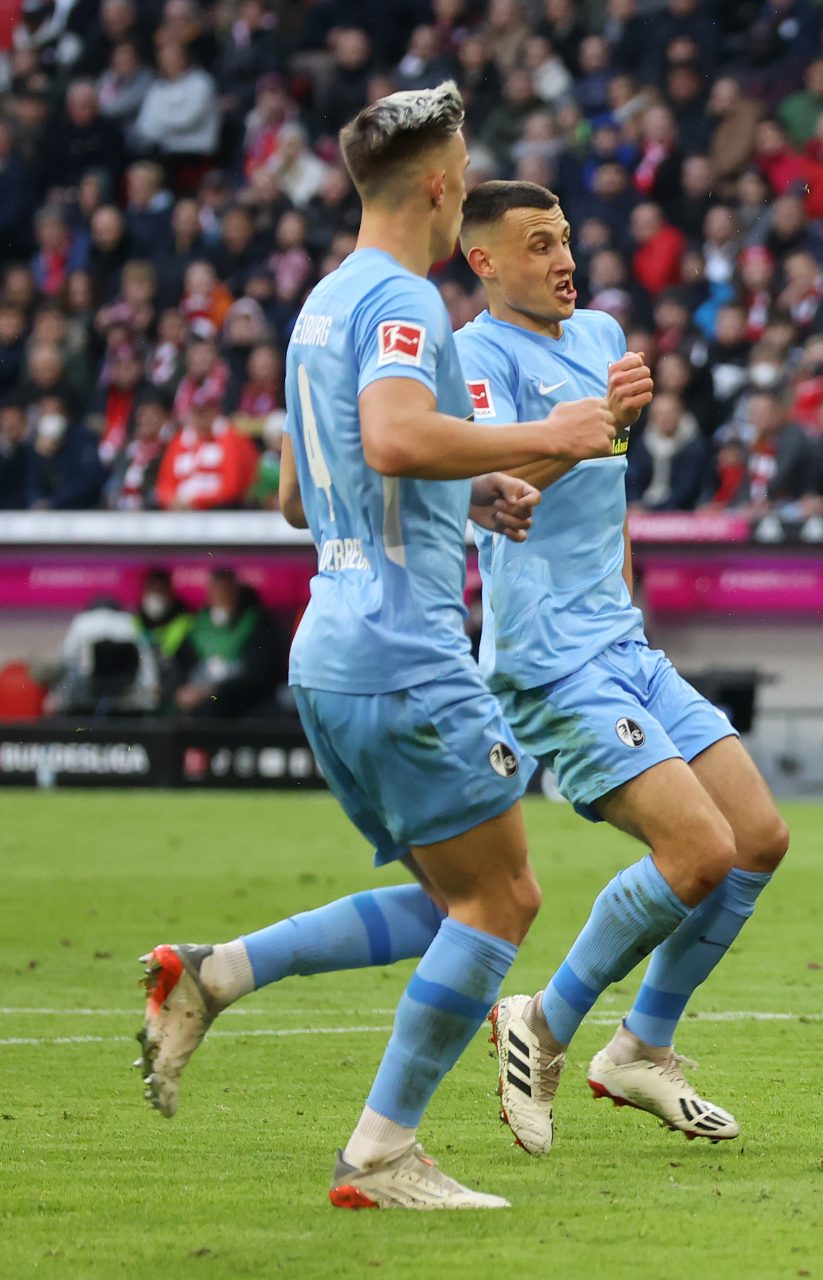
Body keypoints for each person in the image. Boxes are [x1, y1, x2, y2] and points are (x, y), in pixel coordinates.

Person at [134, 84, 618, 1211]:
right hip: (406, 649)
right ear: (445, 187)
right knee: (501, 903)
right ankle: (380, 1154)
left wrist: (476, 486)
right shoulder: (404, 300)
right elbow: (397, 435)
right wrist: (549, 433)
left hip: (332, 645)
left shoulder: (322, 303)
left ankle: (213, 972)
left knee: (459, 900)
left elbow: (305, 491)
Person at [453, 179, 789, 1153]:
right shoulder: (471, 357)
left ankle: (640, 1044)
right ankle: (543, 1025)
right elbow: (492, 490)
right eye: (536, 245)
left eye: (564, 240)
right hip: (547, 659)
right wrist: (591, 423)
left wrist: (627, 598)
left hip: (621, 640)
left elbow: (612, 490)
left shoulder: (600, 335)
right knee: (698, 851)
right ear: (483, 261)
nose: (562, 259)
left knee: (758, 836)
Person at [170, 566, 283, 719]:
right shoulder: (198, 624)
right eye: (216, 592)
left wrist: (214, 690)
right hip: (199, 699)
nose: (221, 597)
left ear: (236, 593)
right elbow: (181, 664)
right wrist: (181, 689)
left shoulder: (257, 624)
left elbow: (259, 675)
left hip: (241, 702)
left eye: (225, 591)